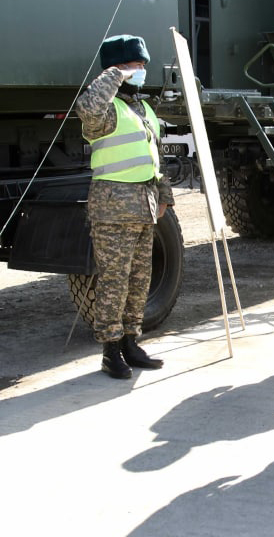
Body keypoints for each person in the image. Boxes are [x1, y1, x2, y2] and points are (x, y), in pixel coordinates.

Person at [75, 34, 172, 380]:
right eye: (135, 65)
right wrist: (114, 76)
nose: (142, 71)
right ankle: (110, 351)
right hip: (113, 211)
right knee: (114, 282)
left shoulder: (142, 109)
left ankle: (131, 341)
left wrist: (165, 195)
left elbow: (154, 156)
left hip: (144, 208)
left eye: (143, 65)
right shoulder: (104, 109)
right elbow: (86, 109)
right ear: (118, 69)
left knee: (138, 281)